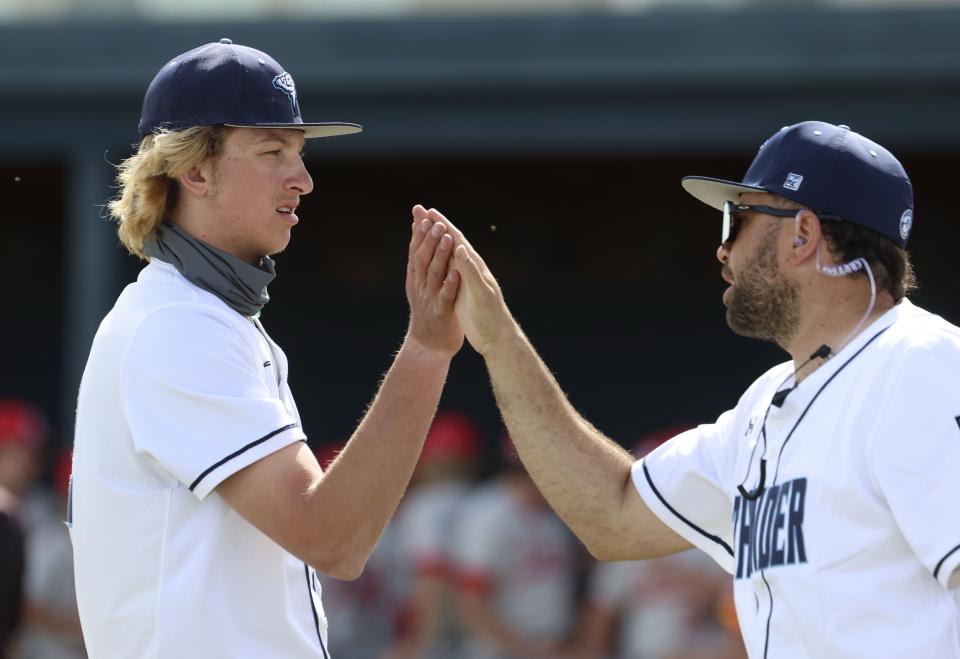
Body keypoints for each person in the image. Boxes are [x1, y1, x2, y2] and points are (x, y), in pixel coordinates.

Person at [426, 121, 960, 657]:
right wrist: (498, 341)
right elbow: (612, 515)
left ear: (802, 235)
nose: (723, 252)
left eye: (739, 220)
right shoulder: (768, 401)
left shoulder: (921, 367)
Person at [71, 39, 463, 658]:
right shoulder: (177, 324)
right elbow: (333, 537)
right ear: (194, 171)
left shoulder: (202, 314)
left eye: (300, 154)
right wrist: (425, 350)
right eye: (273, 151)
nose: (303, 180)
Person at [452, 436, 579, 659]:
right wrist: (526, 651)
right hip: (498, 650)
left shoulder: (551, 517)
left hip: (551, 644)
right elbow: (470, 603)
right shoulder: (487, 512)